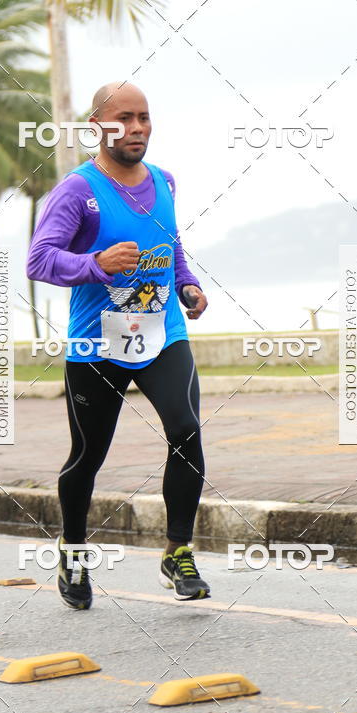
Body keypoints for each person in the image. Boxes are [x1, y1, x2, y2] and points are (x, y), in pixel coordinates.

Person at [26, 81, 210, 609]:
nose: (136, 128)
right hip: (97, 344)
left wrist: (187, 284)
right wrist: (93, 265)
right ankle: (74, 550)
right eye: (123, 118)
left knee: (186, 429)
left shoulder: (165, 182)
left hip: (161, 332)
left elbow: (170, 246)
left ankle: (177, 553)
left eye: (144, 118)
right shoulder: (76, 190)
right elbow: (38, 260)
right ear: (97, 127)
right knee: (88, 456)